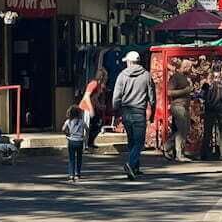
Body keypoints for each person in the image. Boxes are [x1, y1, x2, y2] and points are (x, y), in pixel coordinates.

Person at [112, 51, 156, 180]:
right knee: (139, 142)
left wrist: (116, 111)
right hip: (139, 112)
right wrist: (152, 111)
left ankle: (135, 168)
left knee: (132, 141)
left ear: (130, 62)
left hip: (126, 112)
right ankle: (131, 165)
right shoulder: (147, 76)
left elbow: (116, 97)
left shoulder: (122, 76)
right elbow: (152, 97)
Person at [165, 59, 193, 162]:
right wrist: (184, 91)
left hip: (184, 107)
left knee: (184, 130)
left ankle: (167, 147)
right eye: (190, 68)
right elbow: (169, 92)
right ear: (185, 67)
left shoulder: (185, 77)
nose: (191, 70)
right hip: (178, 106)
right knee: (182, 130)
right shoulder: (176, 77)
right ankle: (179, 154)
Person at [201, 68, 222, 161]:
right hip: (221, 110)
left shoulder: (206, 85)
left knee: (208, 132)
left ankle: (204, 154)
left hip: (210, 110)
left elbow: (202, 95)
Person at [79, 68, 108, 150]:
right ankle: (84, 146)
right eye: (105, 77)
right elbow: (86, 97)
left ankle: (89, 143)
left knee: (97, 124)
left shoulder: (99, 86)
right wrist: (91, 109)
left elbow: (94, 98)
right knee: (86, 127)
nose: (106, 79)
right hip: (85, 108)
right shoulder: (93, 84)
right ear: (102, 77)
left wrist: (99, 106)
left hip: (91, 108)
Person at [62, 105, 85, 182]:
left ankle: (71, 175)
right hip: (80, 141)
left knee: (71, 159)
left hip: (71, 141)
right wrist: (84, 136)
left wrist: (67, 134)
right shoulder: (81, 121)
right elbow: (87, 129)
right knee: (79, 158)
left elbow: (63, 129)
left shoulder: (68, 121)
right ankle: (78, 174)